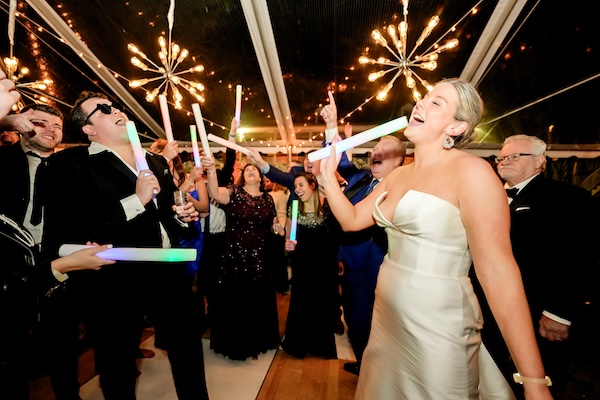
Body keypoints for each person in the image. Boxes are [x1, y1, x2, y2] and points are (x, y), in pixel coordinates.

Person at [319, 78, 553, 400]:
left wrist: (534, 381)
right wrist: (328, 180)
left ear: (456, 127)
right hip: (387, 316)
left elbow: (498, 273)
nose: (421, 104)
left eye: (436, 103)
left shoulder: (473, 172)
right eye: (424, 98)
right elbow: (353, 220)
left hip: (438, 321)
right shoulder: (398, 175)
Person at [43, 91, 209, 400]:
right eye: (103, 110)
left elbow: (168, 216)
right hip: (116, 280)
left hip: (170, 271)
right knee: (117, 365)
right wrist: (135, 200)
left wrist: (183, 216)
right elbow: (76, 229)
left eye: (115, 105)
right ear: (88, 129)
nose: (116, 110)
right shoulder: (72, 163)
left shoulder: (156, 161)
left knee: (188, 353)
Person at [475, 134, 596, 398]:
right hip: (488, 313)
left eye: (515, 156)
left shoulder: (567, 197)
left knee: (540, 384)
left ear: (540, 160)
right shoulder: (487, 199)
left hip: (537, 314)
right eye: (502, 157)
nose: (505, 161)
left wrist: (558, 313)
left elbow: (580, 257)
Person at [201, 157, 281, 361]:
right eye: (246, 169)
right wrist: (211, 172)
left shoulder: (268, 198)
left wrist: (277, 227)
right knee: (237, 299)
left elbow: (273, 222)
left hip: (261, 256)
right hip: (235, 256)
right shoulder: (234, 193)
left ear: (261, 177)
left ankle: (259, 339)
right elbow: (214, 193)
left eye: (254, 168)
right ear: (242, 176)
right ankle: (238, 343)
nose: (250, 170)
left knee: (258, 298)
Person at [280, 172, 339, 359]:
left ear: (312, 184)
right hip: (302, 266)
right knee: (302, 303)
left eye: (301, 185)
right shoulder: (294, 210)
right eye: (295, 186)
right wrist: (288, 244)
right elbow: (289, 239)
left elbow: (338, 238)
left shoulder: (328, 208)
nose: (297, 189)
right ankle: (299, 344)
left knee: (322, 304)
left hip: (324, 267)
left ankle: (321, 346)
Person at [265, 178, 290, 293]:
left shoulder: (280, 195)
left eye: (268, 180)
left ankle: (280, 285)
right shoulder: (268, 194)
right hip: (269, 231)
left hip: (275, 231)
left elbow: (281, 213)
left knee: (278, 259)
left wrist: (279, 230)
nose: (266, 182)